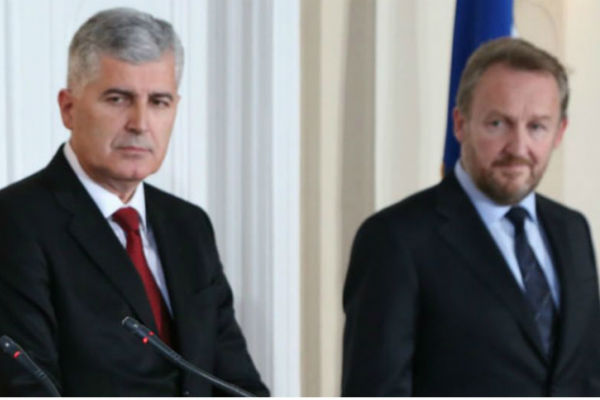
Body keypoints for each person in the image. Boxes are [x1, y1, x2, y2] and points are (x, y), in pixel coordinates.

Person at [0, 7, 268, 396]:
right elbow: (26, 388)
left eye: (159, 102)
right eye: (118, 99)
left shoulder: (189, 225)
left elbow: (236, 383)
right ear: (68, 108)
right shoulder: (16, 221)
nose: (140, 123)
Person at [342, 37, 600, 396]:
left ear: (560, 132)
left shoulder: (573, 230)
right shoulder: (395, 239)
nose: (518, 147)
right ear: (460, 124)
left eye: (537, 127)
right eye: (497, 123)